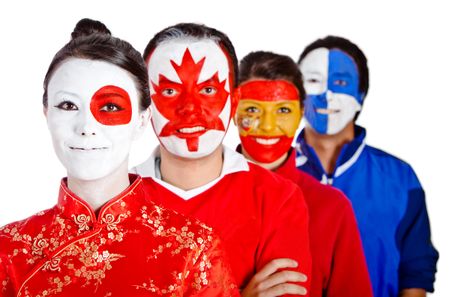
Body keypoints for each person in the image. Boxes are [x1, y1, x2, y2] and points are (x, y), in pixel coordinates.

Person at [0, 18, 239, 296]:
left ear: (141, 119)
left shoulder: (193, 247)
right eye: (68, 105)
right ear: (47, 114)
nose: (86, 127)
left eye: (111, 106)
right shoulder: (10, 249)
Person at [133, 23, 312, 296]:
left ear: (234, 101)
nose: (190, 109)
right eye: (169, 91)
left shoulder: (278, 198)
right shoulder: (113, 199)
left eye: (208, 91)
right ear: (146, 105)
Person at [295, 36, 439, 297]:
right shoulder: (268, 174)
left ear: (361, 94)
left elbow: (416, 270)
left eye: (339, 83)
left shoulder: (400, 178)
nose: (326, 95)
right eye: (314, 81)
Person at [235, 50, 373, 297]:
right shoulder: (201, 194)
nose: (267, 126)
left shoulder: (332, 208)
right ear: (233, 111)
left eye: (284, 110)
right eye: (253, 110)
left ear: (302, 113)